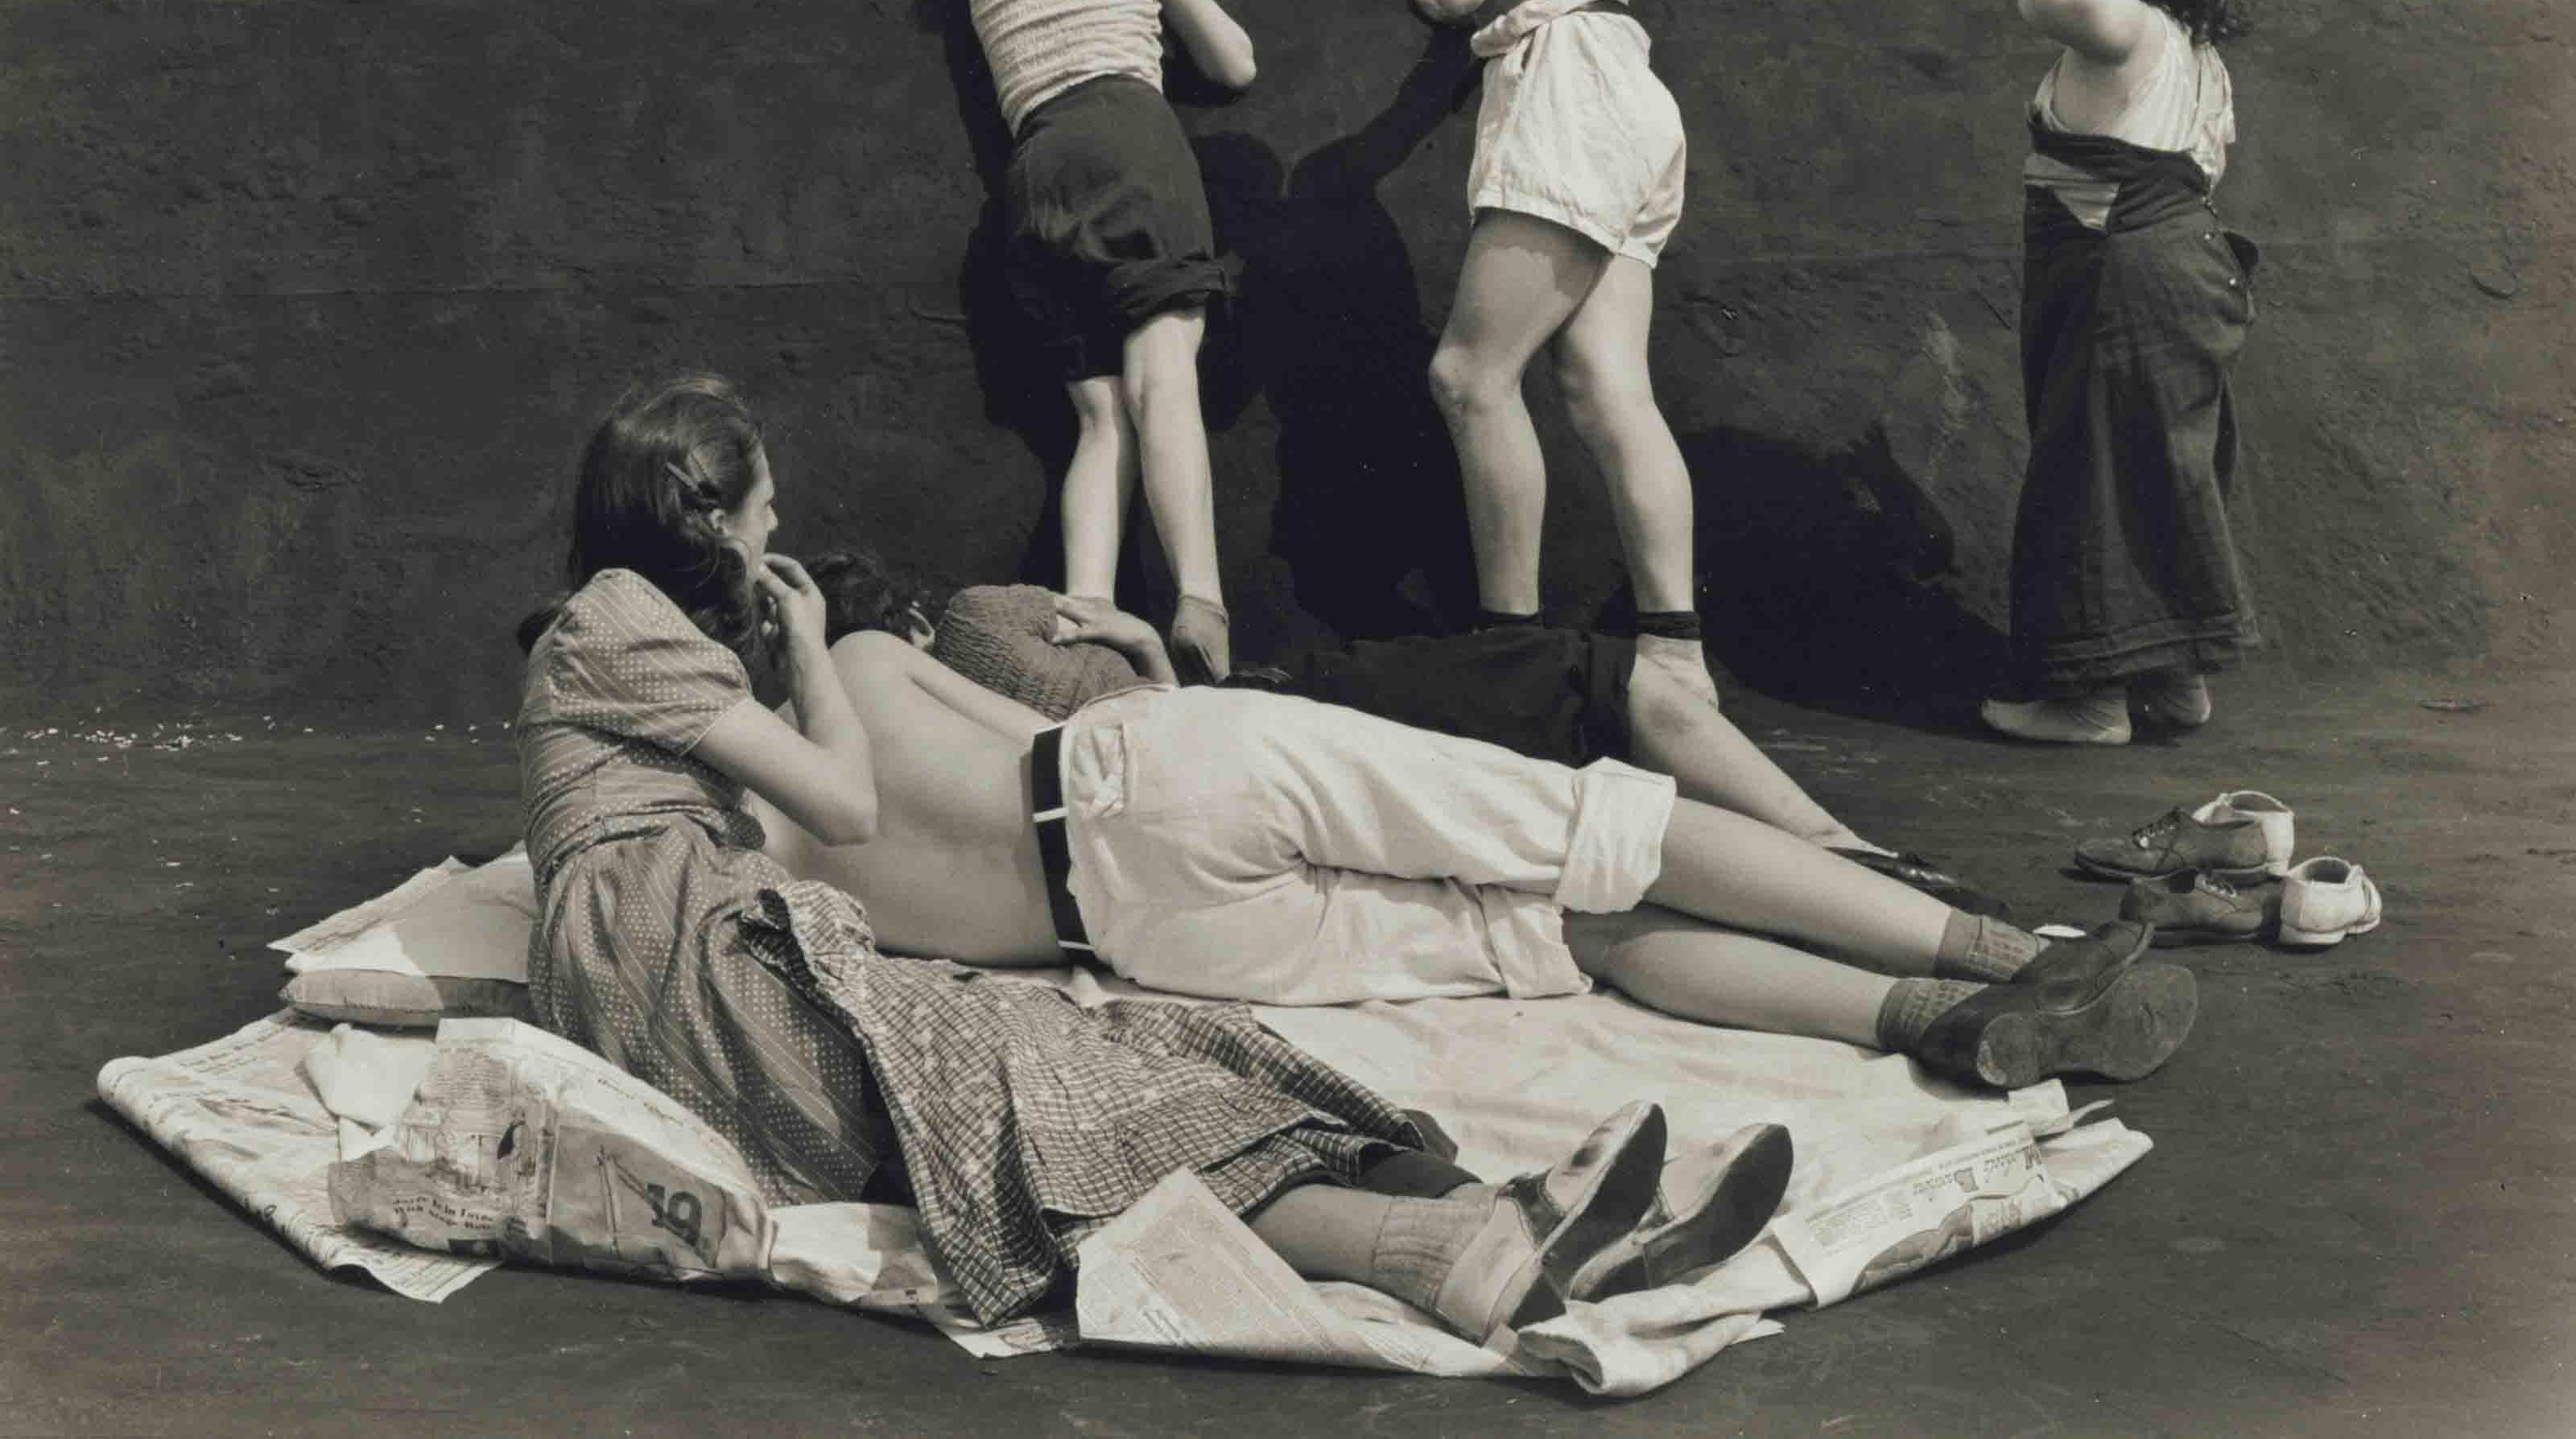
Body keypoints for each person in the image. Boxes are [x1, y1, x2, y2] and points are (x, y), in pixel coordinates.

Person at [515, 375, 1791, 1342]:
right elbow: (843, 805)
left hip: (681, 979)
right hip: (695, 963)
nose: (779, 518)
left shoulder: (632, 658)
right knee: (1026, 1093)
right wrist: (807, 651)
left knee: (1103, 1067)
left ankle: (1485, 1221)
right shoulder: (613, 615)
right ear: (709, 523)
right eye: (762, 504)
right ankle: (1447, 1236)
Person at [701, 412, 2197, 1091]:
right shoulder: (867, 666)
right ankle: (2004, 955)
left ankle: (1922, 1022)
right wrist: (1149, 665)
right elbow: (1064, 734)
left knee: (1570, 933)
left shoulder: (750, 859)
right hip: (1151, 778)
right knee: (1602, 828)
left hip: (1154, 935)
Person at [800, 555, 2010, 919]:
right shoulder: (951, 640)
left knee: (1608, 731)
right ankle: (1852, 858)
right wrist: (1157, 655)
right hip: (1271, 728)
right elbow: (1111, 738)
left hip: (1236, 742)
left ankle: (1856, 867)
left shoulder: (888, 715)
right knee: (1609, 689)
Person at [1403, 0, 1717, 714]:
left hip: (1572, 83)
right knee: (1600, 381)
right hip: (1621, 89)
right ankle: (1677, 658)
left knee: (1470, 375)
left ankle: (1512, 653)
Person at [947, 0, 1253, 682]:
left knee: (1098, 419)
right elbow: (1233, 63)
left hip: (1035, 173)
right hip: (1134, 148)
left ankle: (1086, 633)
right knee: (1165, 383)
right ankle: (1199, 598)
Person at [1979, 0, 2259, 746]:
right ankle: (2174, 685)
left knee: (2090, 467)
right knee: (2160, 470)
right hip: (2182, 268)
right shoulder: (2189, 42)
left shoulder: (2122, 21)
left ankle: (2089, 701)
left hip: (2120, 270)